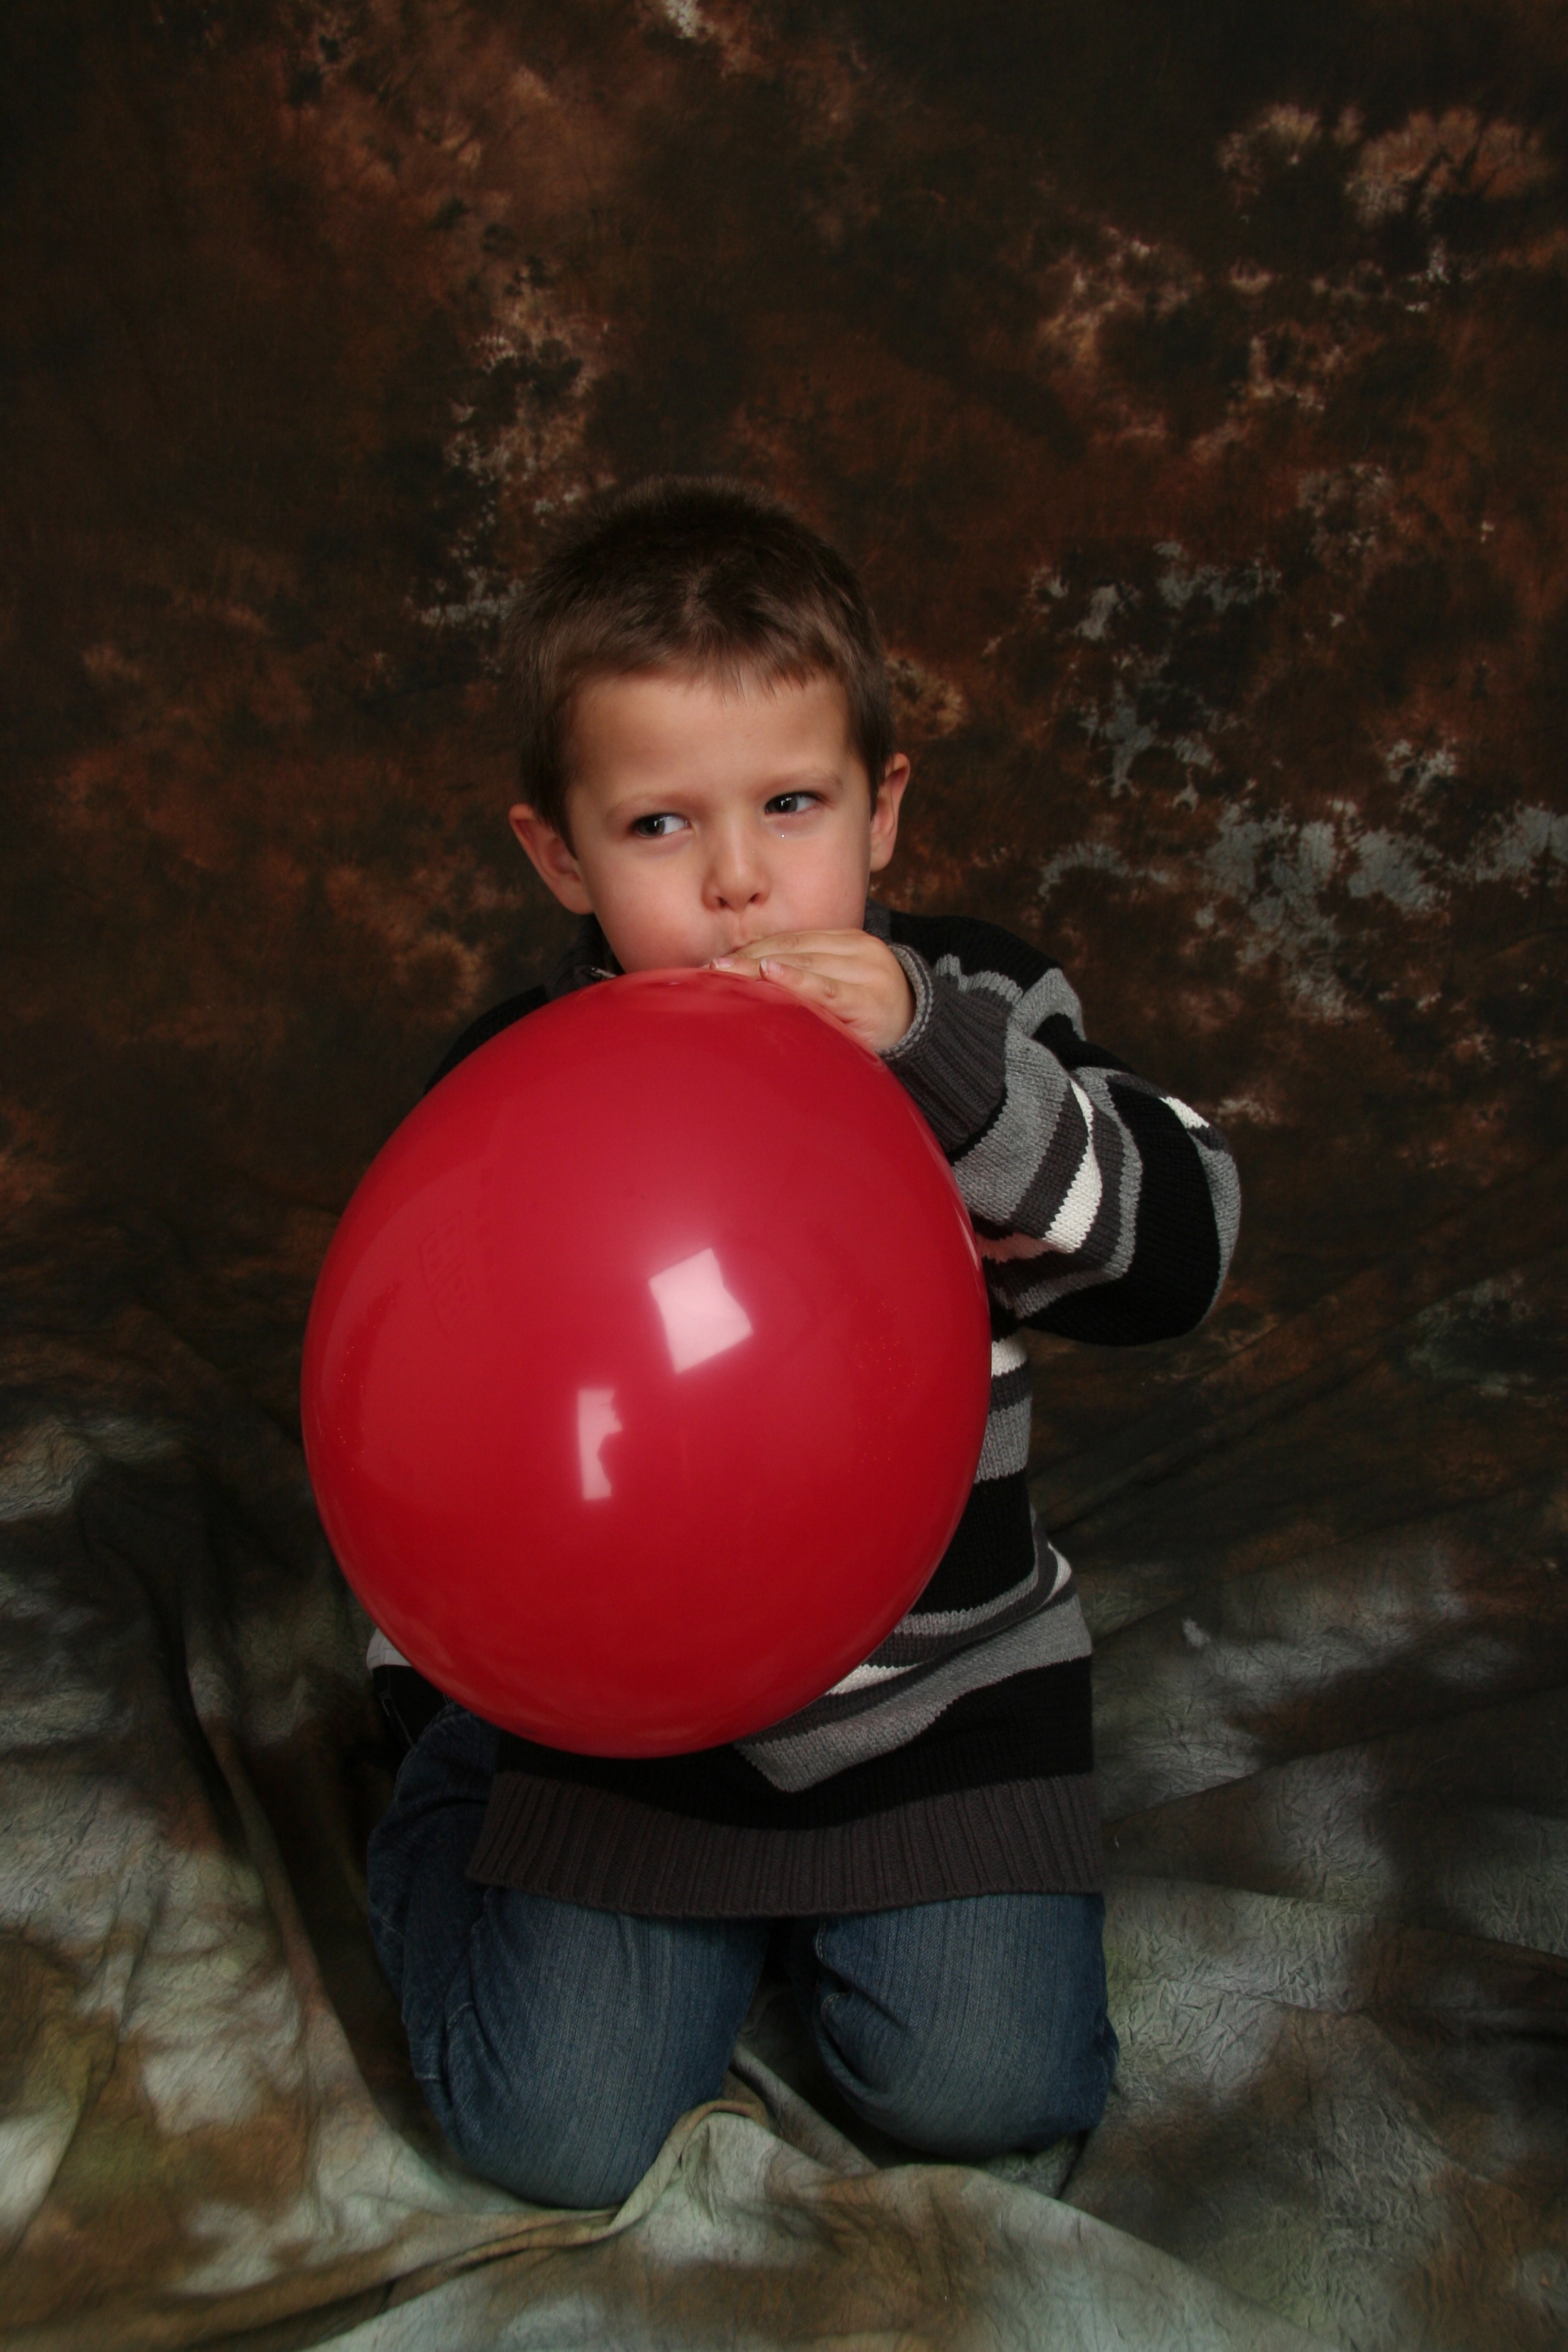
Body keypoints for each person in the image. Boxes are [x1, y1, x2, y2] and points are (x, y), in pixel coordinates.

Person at [364, 478, 1239, 2208]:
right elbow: (425, 1401)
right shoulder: (518, 1092)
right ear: (560, 853)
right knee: (556, 2137)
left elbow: (1185, 1249)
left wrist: (944, 1067)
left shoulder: (983, 1016)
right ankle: (447, 1770)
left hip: (939, 1708)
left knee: (989, 2094)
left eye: (791, 805)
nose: (742, 885)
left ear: (881, 808)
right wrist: (466, 1650)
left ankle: (828, 1925)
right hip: (623, 1735)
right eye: (659, 827)